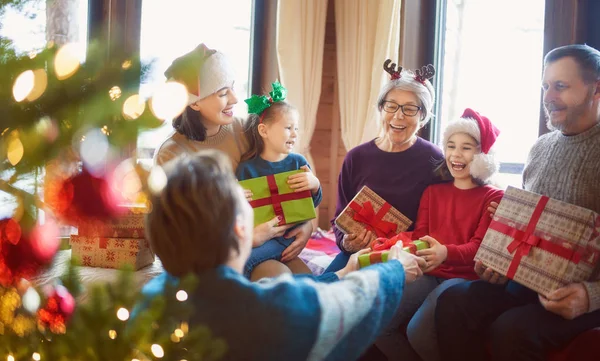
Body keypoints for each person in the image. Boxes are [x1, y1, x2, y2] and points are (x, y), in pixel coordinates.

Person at [139, 149, 427, 361]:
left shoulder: (145, 305)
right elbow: (345, 302)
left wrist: (342, 272)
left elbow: (286, 294)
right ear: (242, 230)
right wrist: (395, 269)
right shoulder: (270, 315)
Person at [435, 44, 600, 361]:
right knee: (454, 300)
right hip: (529, 284)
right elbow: (529, 231)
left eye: (561, 86)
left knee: (511, 331)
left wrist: (590, 296)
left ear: (596, 89)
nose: (548, 96)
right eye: (545, 86)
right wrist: (498, 261)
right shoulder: (539, 149)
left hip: (580, 295)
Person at [153, 43, 315, 268]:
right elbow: (176, 233)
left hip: (271, 242)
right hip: (216, 258)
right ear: (196, 103)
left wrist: (305, 226)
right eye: (222, 93)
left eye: (233, 87)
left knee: (308, 284)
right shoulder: (171, 155)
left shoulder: (246, 130)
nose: (235, 99)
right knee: (279, 280)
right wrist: (246, 238)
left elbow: (284, 177)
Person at [374, 109, 505, 361]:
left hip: (463, 278)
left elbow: (479, 247)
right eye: (451, 146)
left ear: (482, 156)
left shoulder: (493, 197)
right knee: (378, 321)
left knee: (418, 332)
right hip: (429, 272)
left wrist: (445, 252)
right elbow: (421, 235)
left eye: (466, 148)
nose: (456, 154)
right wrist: (401, 247)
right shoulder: (432, 193)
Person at [325, 60, 444, 273]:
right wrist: (346, 242)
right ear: (381, 109)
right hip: (356, 254)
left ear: (423, 117)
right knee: (323, 294)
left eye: (410, 109)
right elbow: (339, 218)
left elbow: (450, 215)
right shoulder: (356, 157)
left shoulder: (434, 159)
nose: (398, 116)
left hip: (404, 257)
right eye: (391, 106)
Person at [236, 81, 322, 280]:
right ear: (264, 131)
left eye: (297, 128)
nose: (294, 133)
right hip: (260, 237)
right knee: (246, 260)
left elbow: (311, 204)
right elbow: (238, 214)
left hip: (289, 236)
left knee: (308, 280)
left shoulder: (298, 162)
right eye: (288, 127)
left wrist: (314, 185)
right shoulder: (246, 168)